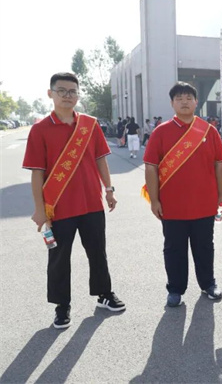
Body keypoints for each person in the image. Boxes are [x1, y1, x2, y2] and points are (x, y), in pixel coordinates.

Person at [23, 72, 125, 329]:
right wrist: (39, 209)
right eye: (62, 91)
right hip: (58, 208)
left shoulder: (89, 125)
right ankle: (62, 306)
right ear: (50, 94)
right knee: (59, 258)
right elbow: (37, 173)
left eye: (72, 91)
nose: (67, 96)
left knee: (97, 252)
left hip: (92, 203)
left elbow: (101, 159)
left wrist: (109, 189)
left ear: (78, 95)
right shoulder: (40, 130)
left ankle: (104, 294)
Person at [143, 82, 222, 307]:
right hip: (172, 206)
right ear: (172, 103)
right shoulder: (161, 132)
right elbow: (151, 166)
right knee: (174, 249)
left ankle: (208, 283)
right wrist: (154, 200)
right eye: (179, 98)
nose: (184, 102)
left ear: (196, 102)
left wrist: (221, 195)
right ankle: (175, 289)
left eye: (189, 98)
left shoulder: (208, 131)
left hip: (204, 203)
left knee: (205, 246)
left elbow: (219, 164)